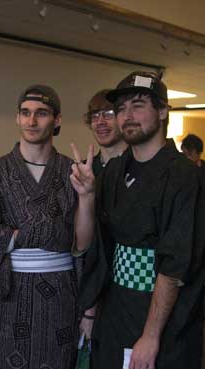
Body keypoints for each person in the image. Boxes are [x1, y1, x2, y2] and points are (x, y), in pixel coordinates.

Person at [72, 71, 205, 369]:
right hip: (116, 310)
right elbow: (89, 246)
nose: (127, 116)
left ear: (163, 111)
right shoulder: (114, 172)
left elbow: (175, 263)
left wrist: (151, 336)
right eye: (121, 109)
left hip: (163, 317)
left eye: (138, 105)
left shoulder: (182, 175)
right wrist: (86, 197)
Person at [0, 84, 86, 369]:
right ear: (18, 119)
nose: (32, 121)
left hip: (61, 290)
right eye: (26, 113)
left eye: (42, 114)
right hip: (13, 292)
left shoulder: (72, 172)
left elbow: (80, 241)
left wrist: (87, 196)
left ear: (57, 121)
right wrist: (36, 235)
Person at [79, 89, 128, 339]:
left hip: (129, 290)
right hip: (92, 289)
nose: (100, 122)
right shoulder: (87, 170)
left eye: (108, 114)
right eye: (95, 115)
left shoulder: (138, 168)